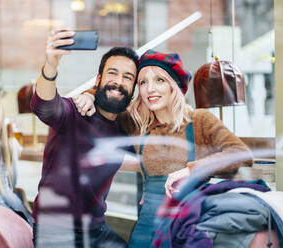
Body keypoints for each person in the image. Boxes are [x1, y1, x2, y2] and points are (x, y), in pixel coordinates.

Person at [75, 49, 253, 247]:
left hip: (187, 228)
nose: (150, 89)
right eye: (143, 82)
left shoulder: (200, 121)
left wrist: (191, 170)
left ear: (173, 86)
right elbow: (109, 98)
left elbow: (241, 153)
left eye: (159, 80)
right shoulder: (136, 124)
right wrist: (90, 95)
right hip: (146, 229)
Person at [30, 29, 139, 247]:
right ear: (98, 79)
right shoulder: (74, 112)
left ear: (133, 89)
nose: (118, 81)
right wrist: (51, 65)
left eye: (128, 77)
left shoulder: (125, 128)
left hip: (96, 230)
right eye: (112, 73)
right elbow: (44, 105)